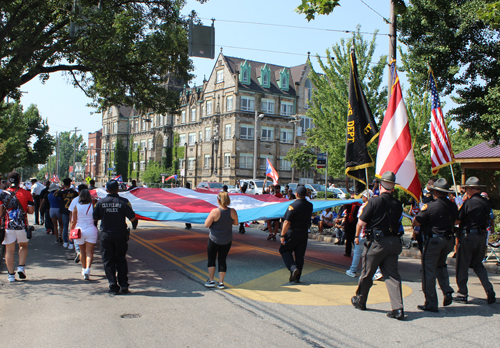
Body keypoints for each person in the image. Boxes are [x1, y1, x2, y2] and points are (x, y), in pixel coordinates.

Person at [351, 171, 405, 320]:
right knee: (393, 276)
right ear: (393, 187)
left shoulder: (373, 202)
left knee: (367, 273)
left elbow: (361, 222)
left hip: (377, 243)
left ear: (381, 186)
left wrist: (356, 236)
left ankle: (361, 301)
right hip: (393, 242)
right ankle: (398, 308)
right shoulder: (397, 204)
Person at [412, 178, 457, 312]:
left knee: (428, 271)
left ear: (436, 192)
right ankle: (447, 290)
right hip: (448, 240)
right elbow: (457, 219)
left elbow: (417, 222)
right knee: (441, 265)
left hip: (435, 241)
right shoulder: (453, 205)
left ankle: (431, 303)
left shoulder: (430, 206)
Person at [454, 177, 496, 304]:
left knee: (462, 264)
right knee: (478, 264)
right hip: (481, 236)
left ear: (471, 189)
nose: (465, 191)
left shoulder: (469, 203)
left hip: (469, 236)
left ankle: (462, 293)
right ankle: (489, 289)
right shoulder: (485, 202)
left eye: (467, 189)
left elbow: (458, 220)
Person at [93, 180, 136, 295]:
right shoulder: (124, 202)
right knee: (121, 259)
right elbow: (132, 218)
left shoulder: (100, 202)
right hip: (120, 234)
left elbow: (95, 218)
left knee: (108, 261)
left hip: (106, 234)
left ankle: (113, 285)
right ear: (118, 190)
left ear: (106, 190)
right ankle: (124, 284)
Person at [0, 172, 35, 282]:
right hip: (22, 225)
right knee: (23, 246)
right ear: (19, 180)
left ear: (8, 181)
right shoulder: (26, 193)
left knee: (9, 251)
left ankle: (11, 275)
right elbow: (31, 211)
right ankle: (21, 267)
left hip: (8, 225)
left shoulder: (2, 194)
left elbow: (0, 211)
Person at [279, 185, 313, 283]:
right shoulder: (310, 205)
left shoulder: (293, 206)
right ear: (306, 194)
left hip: (292, 232)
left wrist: (282, 235)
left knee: (284, 249)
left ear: (296, 194)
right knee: (299, 255)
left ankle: (293, 268)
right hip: (303, 233)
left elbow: (287, 222)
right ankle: (297, 278)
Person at [204, 191, 238, 289]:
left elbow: (207, 224)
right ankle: (221, 282)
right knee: (222, 259)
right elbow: (236, 223)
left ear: (218, 200)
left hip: (214, 239)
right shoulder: (233, 211)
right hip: (227, 240)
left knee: (211, 259)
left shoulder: (214, 211)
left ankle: (211, 280)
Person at [70, 189, 98, 280]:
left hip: (79, 230)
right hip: (91, 229)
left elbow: (73, 221)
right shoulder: (92, 206)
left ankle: (83, 268)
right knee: (89, 252)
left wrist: (71, 231)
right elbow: (96, 217)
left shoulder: (76, 207)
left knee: (82, 251)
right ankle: (88, 270)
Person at [346, 190, 372, 277]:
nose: (362, 198)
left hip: (362, 234)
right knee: (369, 254)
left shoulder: (363, 207)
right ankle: (369, 272)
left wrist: (356, 236)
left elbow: (359, 223)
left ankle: (353, 270)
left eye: (363, 196)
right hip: (371, 235)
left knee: (357, 253)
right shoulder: (375, 207)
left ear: (366, 197)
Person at [54, 178, 78, 249]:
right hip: (72, 211)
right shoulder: (74, 192)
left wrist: (60, 188)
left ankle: (65, 242)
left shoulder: (61, 192)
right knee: (72, 227)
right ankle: (71, 243)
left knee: (65, 227)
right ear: (70, 184)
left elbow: (54, 195)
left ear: (64, 184)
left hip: (64, 211)